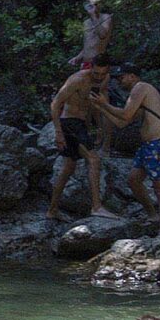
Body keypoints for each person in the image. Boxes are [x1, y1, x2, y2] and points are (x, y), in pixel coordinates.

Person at [98, 63, 160, 234]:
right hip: (148, 146)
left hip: (159, 144)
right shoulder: (139, 94)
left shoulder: (141, 87)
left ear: (132, 76)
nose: (119, 81)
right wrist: (99, 106)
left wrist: (104, 104)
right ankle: (152, 215)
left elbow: (125, 114)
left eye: (122, 77)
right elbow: (122, 122)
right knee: (133, 180)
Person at [47, 58, 112, 222]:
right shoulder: (78, 79)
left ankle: (52, 210)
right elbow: (55, 104)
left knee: (68, 168)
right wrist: (58, 132)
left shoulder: (103, 80)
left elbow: (93, 105)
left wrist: (98, 129)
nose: (99, 76)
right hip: (69, 122)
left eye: (102, 73)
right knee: (93, 159)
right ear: (91, 68)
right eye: (96, 73)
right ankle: (96, 207)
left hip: (81, 124)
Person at [81, 0, 114, 68]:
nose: (92, 6)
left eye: (95, 4)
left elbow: (102, 35)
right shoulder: (86, 22)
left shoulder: (106, 17)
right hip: (85, 62)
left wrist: (93, 16)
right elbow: (88, 44)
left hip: (98, 63)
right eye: (89, 4)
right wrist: (78, 57)